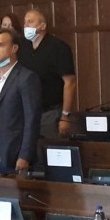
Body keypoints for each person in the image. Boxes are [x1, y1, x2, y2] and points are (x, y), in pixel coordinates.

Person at [0, 30, 42, 174]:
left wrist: (25, 155)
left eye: (0, 45)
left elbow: (32, 120)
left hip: (12, 153)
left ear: (14, 48)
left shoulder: (26, 78)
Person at [17, 9, 76, 138]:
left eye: (30, 22)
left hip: (50, 113)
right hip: (25, 113)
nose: (26, 26)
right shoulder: (21, 47)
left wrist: (65, 116)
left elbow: (70, 82)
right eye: (25, 22)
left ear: (42, 26)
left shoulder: (59, 47)